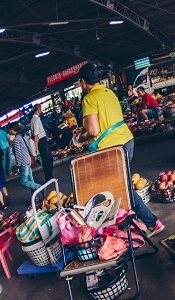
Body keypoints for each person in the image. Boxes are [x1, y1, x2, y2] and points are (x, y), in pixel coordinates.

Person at [74, 62, 164, 236]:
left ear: (84, 81)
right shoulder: (109, 93)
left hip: (112, 148)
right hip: (126, 140)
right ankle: (137, 223)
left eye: (80, 84)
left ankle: (152, 223)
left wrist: (79, 137)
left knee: (122, 190)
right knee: (119, 187)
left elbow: (93, 130)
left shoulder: (89, 98)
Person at [7, 124, 40, 195]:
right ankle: (35, 197)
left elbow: (18, 153)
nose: (9, 131)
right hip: (28, 159)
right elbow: (28, 146)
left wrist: (18, 166)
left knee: (24, 181)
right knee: (30, 180)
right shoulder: (22, 135)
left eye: (9, 130)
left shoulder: (16, 139)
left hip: (23, 162)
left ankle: (39, 187)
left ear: (12, 129)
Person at [30, 104, 54, 182]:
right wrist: (36, 148)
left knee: (47, 158)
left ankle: (49, 176)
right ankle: (49, 177)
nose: (41, 110)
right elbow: (36, 135)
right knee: (47, 159)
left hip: (42, 140)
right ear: (38, 110)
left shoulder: (33, 119)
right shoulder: (36, 119)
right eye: (40, 109)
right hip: (41, 141)